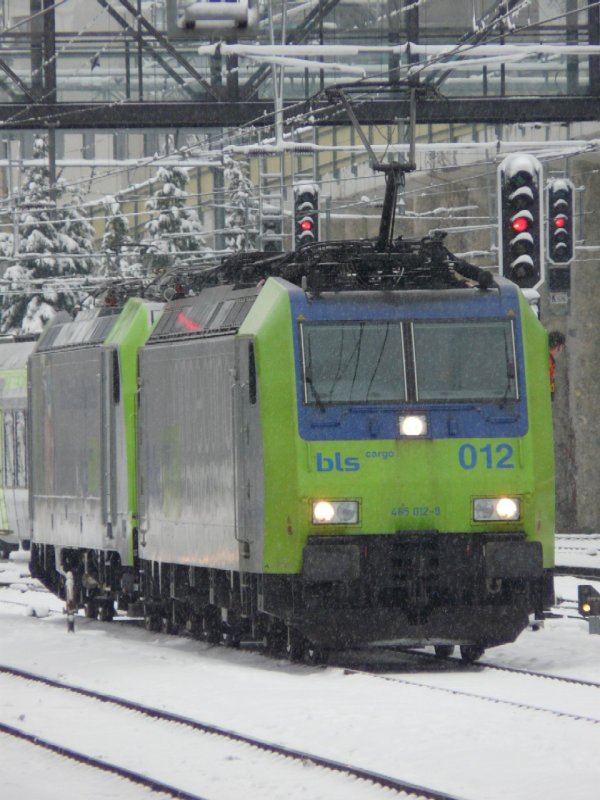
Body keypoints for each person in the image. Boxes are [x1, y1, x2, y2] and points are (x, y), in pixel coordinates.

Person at [548, 330, 566, 398]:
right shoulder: (549, 361)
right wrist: (551, 392)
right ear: (558, 347)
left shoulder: (549, 359)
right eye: (561, 347)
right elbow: (549, 380)